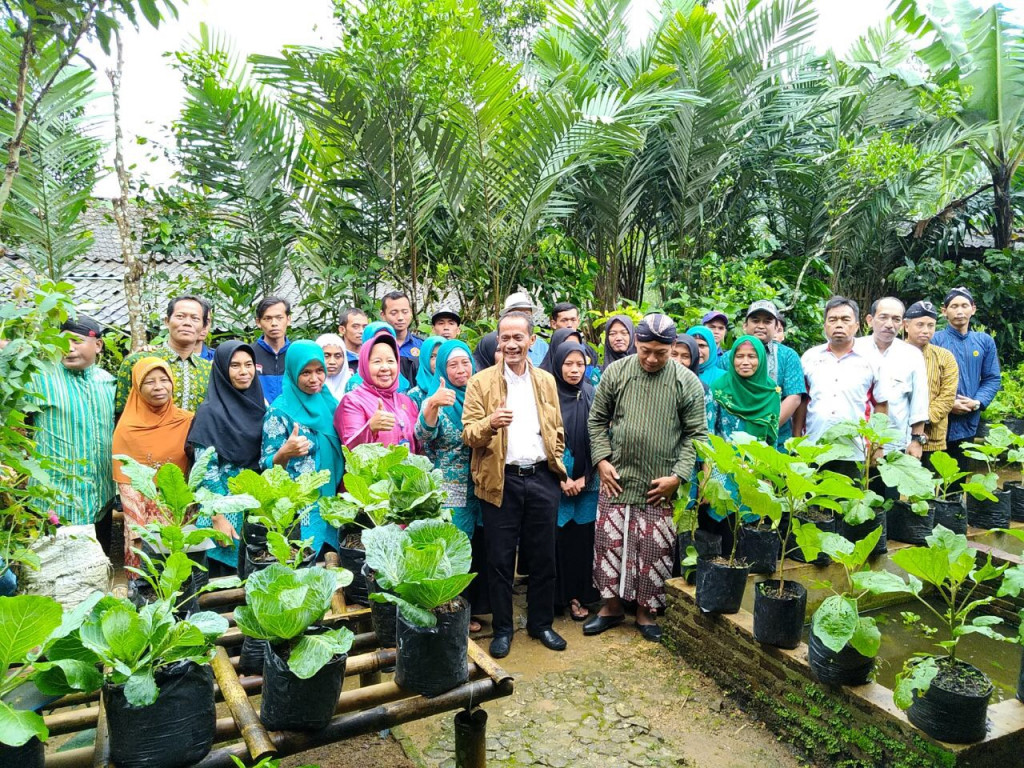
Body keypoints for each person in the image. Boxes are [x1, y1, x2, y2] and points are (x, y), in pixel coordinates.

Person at [585, 314, 708, 643]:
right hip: (616, 478)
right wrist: (601, 460)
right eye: (645, 351)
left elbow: (697, 436)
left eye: (661, 353)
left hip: (660, 485)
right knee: (609, 546)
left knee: (654, 552)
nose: (652, 359)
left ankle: (645, 613)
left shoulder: (686, 382)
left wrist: (679, 477)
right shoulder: (617, 372)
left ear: (672, 348)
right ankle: (610, 608)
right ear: (636, 344)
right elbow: (597, 420)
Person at [463, 311, 568, 658]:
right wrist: (491, 423)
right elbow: (468, 435)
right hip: (500, 481)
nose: (511, 344)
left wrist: (556, 455)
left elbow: (556, 428)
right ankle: (504, 629)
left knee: (544, 557)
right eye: (504, 338)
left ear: (531, 341)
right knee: (499, 559)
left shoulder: (546, 381)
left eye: (517, 338)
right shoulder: (480, 383)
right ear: (498, 341)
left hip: (541, 478)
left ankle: (541, 624)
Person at [414, 339, 490, 631]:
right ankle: (454, 611)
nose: (461, 370)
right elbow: (423, 433)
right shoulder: (437, 399)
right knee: (455, 549)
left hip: (481, 483)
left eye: (465, 363)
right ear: (442, 369)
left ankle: (478, 607)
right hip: (452, 487)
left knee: (481, 546)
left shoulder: (478, 396)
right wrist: (433, 403)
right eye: (452, 365)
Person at [29, 316, 116, 546]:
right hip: (53, 505)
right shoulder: (39, 379)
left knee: (98, 571)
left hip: (100, 503)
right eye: (63, 341)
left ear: (98, 345)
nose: (68, 348)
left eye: (77, 341)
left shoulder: (109, 383)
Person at [187, 341, 266, 574]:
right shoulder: (210, 413)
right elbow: (205, 474)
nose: (244, 372)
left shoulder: (259, 407)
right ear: (222, 369)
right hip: (223, 515)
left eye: (249, 364)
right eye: (235, 365)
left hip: (253, 511)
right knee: (221, 589)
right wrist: (217, 517)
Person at [260, 341, 344, 554]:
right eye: (305, 372)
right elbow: (266, 465)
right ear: (293, 372)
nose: (314, 379)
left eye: (319, 371)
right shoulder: (279, 411)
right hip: (300, 510)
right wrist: (285, 452)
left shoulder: (330, 405)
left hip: (332, 504)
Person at [113, 358, 194, 567]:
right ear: (138, 387)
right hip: (144, 514)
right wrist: (137, 531)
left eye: (164, 380)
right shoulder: (127, 429)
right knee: (148, 576)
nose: (158, 387)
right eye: (149, 382)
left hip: (179, 510)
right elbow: (127, 485)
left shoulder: (187, 421)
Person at [798, 297, 887, 466]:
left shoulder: (872, 359)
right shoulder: (810, 357)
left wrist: (878, 445)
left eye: (846, 319)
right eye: (833, 320)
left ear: (857, 326)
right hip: (813, 448)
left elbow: (881, 404)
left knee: (852, 492)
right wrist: (796, 440)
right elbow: (802, 401)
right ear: (824, 325)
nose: (839, 324)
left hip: (854, 451)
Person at [551, 341, 600, 621]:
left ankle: (580, 596)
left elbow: (602, 437)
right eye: (568, 364)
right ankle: (558, 597)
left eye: (579, 364)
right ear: (558, 365)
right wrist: (562, 477)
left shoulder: (593, 393)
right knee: (556, 542)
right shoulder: (548, 396)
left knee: (582, 542)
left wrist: (584, 476)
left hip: (587, 483)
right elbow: (541, 440)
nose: (574, 370)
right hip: (555, 481)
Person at [719, 301, 805, 449]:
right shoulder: (728, 358)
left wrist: (765, 427)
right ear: (745, 326)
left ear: (777, 327)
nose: (760, 325)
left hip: (777, 441)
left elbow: (794, 397)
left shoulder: (788, 356)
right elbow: (721, 395)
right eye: (755, 320)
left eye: (767, 321)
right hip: (734, 440)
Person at [932, 286, 1001, 469]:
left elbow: (992, 378)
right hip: (937, 420)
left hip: (968, 420)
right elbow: (926, 380)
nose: (960, 311)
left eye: (964, 305)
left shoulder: (984, 341)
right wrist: (948, 404)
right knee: (931, 475)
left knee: (958, 475)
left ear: (973, 309)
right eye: (954, 306)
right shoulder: (934, 340)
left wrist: (977, 402)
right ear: (944, 311)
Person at [855, 298, 929, 460]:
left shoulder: (912, 355)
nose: (889, 324)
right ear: (869, 320)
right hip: (857, 443)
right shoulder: (854, 349)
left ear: (902, 324)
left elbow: (919, 400)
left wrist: (917, 441)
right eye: (883, 317)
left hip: (896, 444)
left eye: (896, 319)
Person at [115, 295, 213, 415]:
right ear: (167, 321)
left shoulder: (208, 369)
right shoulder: (139, 361)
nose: (187, 323)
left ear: (203, 326)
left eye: (195, 318)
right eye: (180, 316)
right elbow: (121, 412)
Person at [336, 330, 419, 452]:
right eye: (377, 361)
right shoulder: (353, 401)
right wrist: (370, 428)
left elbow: (419, 445)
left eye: (390, 361)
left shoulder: (406, 401)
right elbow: (350, 449)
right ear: (364, 364)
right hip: (372, 471)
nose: (385, 368)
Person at [903, 300, 959, 462]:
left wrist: (919, 422)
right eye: (919, 325)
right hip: (898, 434)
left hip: (932, 436)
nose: (925, 331)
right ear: (906, 326)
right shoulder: (894, 354)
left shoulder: (945, 357)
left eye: (930, 325)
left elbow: (947, 398)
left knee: (929, 484)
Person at [711, 336, 780, 445]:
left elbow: (772, 439)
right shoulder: (719, 388)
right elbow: (709, 432)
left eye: (751, 357)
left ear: (761, 359)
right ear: (732, 358)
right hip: (724, 458)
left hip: (758, 459)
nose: (745, 362)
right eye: (739, 356)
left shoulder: (771, 392)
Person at [344, 322, 413, 393]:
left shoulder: (403, 383)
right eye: (378, 341)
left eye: (388, 341)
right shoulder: (355, 385)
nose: (383, 345)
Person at [252, 296, 292, 405]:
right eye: (267, 318)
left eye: (279, 317)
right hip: (258, 418)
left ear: (288, 320)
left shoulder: (296, 354)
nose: (274, 323)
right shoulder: (249, 354)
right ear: (258, 322)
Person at [381, 291, 422, 380]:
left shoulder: (422, 345)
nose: (400, 317)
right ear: (383, 315)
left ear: (411, 312)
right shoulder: (375, 345)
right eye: (393, 313)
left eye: (405, 312)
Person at [502, 292, 548, 366]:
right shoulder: (492, 343)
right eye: (518, 314)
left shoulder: (541, 346)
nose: (523, 318)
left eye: (527, 314)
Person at [407, 335, 445, 409]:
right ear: (424, 360)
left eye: (442, 355)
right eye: (432, 357)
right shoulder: (415, 395)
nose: (437, 361)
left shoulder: (458, 388)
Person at [316, 334, 352, 401]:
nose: (332, 362)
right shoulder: (309, 387)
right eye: (326, 356)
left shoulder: (354, 387)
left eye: (337, 356)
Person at [338, 307, 368, 373]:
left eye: (364, 327)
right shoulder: (337, 359)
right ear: (342, 330)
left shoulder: (372, 356)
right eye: (355, 326)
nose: (361, 331)